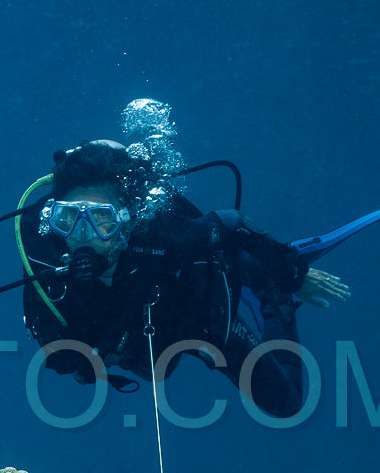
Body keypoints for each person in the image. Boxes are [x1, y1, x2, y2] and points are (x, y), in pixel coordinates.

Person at [19, 139, 350, 418]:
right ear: (53, 217)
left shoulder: (160, 235)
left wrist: (291, 274)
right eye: (68, 219)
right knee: (153, 369)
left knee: (285, 404)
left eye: (102, 220)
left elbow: (233, 224)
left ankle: (270, 294)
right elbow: (50, 337)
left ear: (129, 218)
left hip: (195, 316)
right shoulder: (40, 249)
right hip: (141, 347)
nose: (83, 236)